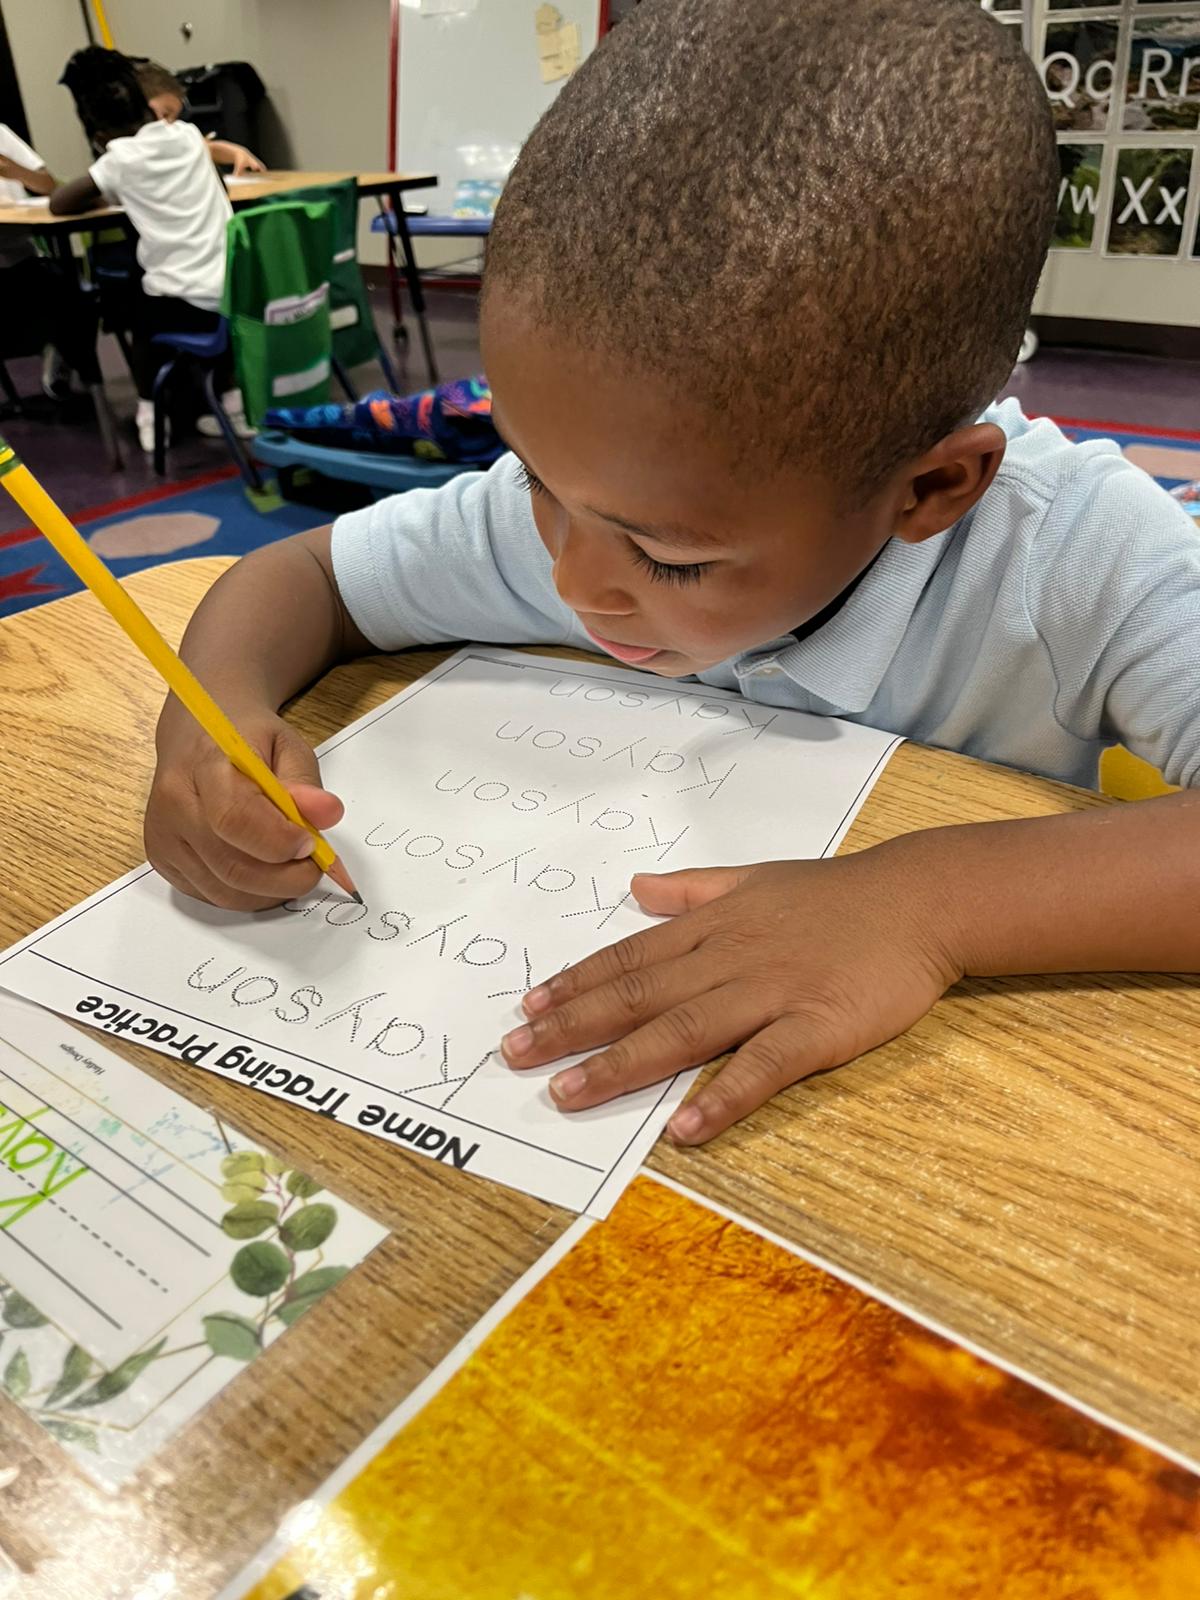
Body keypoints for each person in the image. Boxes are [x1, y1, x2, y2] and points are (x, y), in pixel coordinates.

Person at [142, 0, 1200, 1147]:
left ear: (929, 491)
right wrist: (210, 727)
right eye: (532, 473)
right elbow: (306, 575)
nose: (573, 576)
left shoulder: (1080, 553)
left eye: (672, 560)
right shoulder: (591, 505)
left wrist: (924, 906)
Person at [51, 48, 251, 451]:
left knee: (134, 308)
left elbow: (60, 203)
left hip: (186, 303)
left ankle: (149, 412)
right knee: (189, 284)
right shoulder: (189, 135)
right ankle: (233, 406)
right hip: (236, 287)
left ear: (100, 132)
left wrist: (106, 189)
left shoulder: (119, 159)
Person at [0, 122, 101, 400]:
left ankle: (64, 358)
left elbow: (47, 185)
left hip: (22, 256)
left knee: (79, 299)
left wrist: (14, 170)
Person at [131, 59, 266, 177]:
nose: (170, 126)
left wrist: (236, 152)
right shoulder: (122, 151)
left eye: (175, 118)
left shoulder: (171, 137)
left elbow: (201, 148)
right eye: (165, 114)